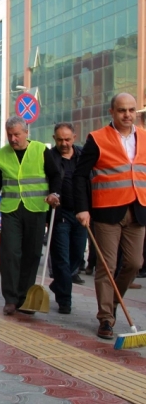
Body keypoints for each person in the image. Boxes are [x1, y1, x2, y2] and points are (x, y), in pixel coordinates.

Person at [74, 92, 146, 339]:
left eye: (131, 110)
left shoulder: (145, 137)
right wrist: (82, 208)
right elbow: (80, 175)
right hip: (106, 212)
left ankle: (113, 302)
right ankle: (105, 318)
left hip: (138, 210)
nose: (127, 115)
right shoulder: (97, 139)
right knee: (107, 266)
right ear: (112, 112)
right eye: (122, 110)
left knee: (135, 263)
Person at [0, 116, 61, 316]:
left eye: (17, 134)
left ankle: (25, 297)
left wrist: (54, 193)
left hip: (36, 209)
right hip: (11, 210)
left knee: (32, 253)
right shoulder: (2, 154)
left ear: (26, 133)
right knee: (9, 253)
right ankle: (10, 299)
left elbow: (55, 175)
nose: (13, 139)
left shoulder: (40, 150)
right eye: (9, 135)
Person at [46, 122, 88, 315]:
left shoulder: (82, 156)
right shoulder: (48, 157)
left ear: (74, 137)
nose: (64, 143)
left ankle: (58, 284)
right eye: (60, 139)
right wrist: (49, 196)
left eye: (67, 139)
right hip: (59, 213)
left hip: (81, 213)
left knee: (77, 255)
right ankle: (65, 301)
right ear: (54, 139)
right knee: (61, 258)